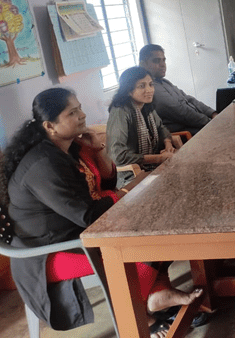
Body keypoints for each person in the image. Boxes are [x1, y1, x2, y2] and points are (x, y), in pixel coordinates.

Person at [1, 88, 203, 338]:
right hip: (51, 253)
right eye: (72, 113)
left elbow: (106, 185)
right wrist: (127, 194)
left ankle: (157, 295)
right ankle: (143, 315)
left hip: (77, 231)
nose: (83, 115)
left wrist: (98, 151)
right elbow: (87, 215)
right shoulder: (43, 164)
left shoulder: (70, 147)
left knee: (157, 224)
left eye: (80, 108)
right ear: (50, 126)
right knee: (144, 240)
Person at [106, 67, 176, 172]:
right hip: (131, 173)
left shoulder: (146, 106)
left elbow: (161, 127)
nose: (149, 90)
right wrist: (158, 158)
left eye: (151, 84)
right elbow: (118, 156)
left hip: (153, 166)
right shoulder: (120, 112)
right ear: (128, 90)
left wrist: (168, 143)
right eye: (142, 86)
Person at [140, 44, 218, 135]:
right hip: (184, 134)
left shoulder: (163, 81)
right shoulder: (150, 88)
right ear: (143, 64)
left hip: (198, 125)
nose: (162, 65)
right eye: (156, 61)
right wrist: (210, 122)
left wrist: (213, 113)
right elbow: (181, 112)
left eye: (164, 60)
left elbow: (188, 98)